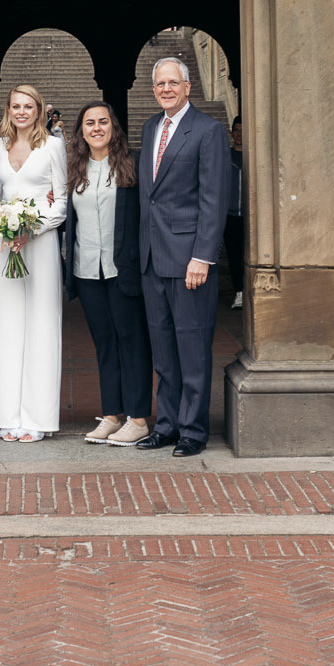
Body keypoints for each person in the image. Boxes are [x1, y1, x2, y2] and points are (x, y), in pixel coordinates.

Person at [136, 56, 231, 457]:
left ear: (188, 87)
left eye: (173, 83)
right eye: (160, 85)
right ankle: (168, 425)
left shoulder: (207, 131)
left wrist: (203, 257)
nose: (166, 90)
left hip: (190, 260)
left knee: (192, 348)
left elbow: (214, 198)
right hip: (152, 259)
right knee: (163, 352)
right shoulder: (150, 127)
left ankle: (193, 430)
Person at [62, 101, 151, 446]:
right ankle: (112, 415)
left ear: (113, 127)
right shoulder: (75, 167)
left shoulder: (132, 165)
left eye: (102, 121)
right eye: (89, 123)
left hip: (123, 269)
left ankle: (139, 418)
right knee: (104, 344)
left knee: (132, 342)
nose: (96, 128)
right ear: (81, 131)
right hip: (87, 272)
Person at [0, 84, 68, 442]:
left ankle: (38, 418)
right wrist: (2, 224)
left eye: (28, 106)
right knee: (6, 327)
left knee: (41, 325)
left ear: (38, 110)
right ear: (8, 110)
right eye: (15, 106)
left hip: (40, 245)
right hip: (6, 247)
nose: (22, 112)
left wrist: (32, 230)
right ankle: (8, 414)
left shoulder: (53, 146)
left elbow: (61, 202)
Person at [226, 116, 246, 310]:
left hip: (250, 216)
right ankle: (239, 291)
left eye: (243, 131)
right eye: (236, 130)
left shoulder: (253, 157)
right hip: (230, 215)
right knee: (233, 255)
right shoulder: (225, 156)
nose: (239, 135)